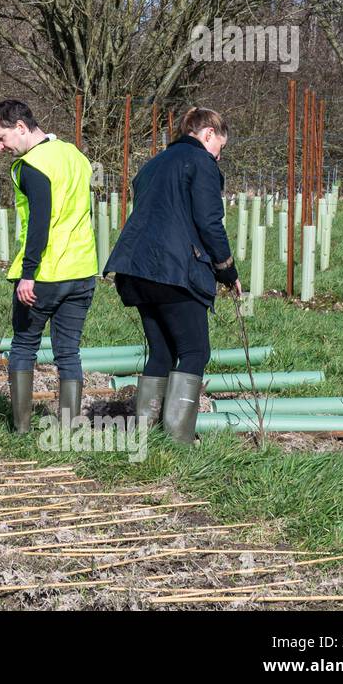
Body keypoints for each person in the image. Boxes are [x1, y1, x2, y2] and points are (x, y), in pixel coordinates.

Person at [105, 107, 240, 443]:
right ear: (208, 133)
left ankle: (144, 434)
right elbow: (209, 223)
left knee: (162, 352)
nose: (218, 158)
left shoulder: (153, 163)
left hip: (136, 268)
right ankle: (179, 439)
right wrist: (227, 269)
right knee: (195, 352)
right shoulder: (201, 164)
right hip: (174, 271)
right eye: (219, 149)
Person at [0, 100, 98, 432]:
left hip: (45, 275)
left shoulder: (32, 165)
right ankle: (68, 430)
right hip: (82, 272)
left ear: (20, 127)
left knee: (23, 344)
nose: (0, 147)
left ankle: (20, 428)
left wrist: (28, 274)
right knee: (69, 353)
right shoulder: (74, 155)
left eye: (1, 138)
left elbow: (39, 224)